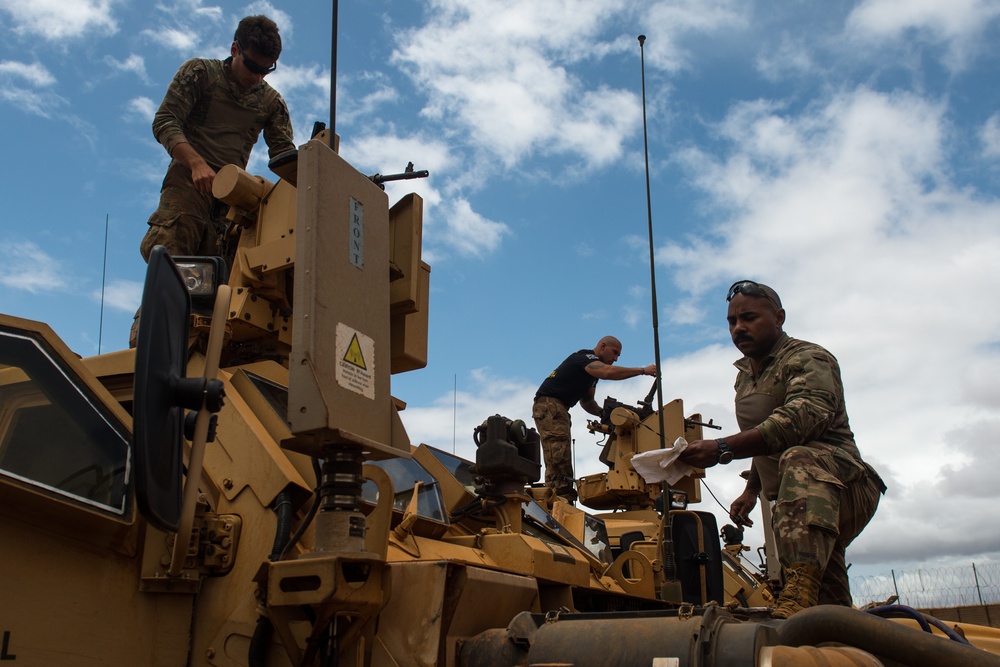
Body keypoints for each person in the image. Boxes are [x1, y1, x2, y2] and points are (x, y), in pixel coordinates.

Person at [678, 280, 886, 618]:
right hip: (803, 508)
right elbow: (764, 437)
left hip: (844, 486)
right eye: (732, 322)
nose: (739, 328)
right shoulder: (745, 377)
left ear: (779, 318)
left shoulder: (809, 358)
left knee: (798, 457)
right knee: (830, 610)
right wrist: (750, 490)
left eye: (748, 318)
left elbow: (798, 422)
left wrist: (720, 448)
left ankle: (795, 597)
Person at [139, 15, 295, 262]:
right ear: (235, 49)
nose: (258, 77)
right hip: (188, 183)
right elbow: (166, 121)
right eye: (253, 67)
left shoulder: (271, 103)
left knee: (220, 284)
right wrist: (196, 164)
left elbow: (285, 157)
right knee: (171, 266)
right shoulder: (202, 73)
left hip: (231, 200)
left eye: (266, 70)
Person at [533, 336, 658, 502]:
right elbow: (606, 372)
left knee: (561, 453)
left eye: (618, 356)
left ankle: (560, 496)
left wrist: (602, 413)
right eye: (614, 353)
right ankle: (558, 497)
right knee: (558, 454)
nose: (615, 358)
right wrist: (643, 371)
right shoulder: (585, 358)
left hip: (559, 408)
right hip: (550, 405)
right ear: (602, 346)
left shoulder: (591, 375)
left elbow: (587, 401)